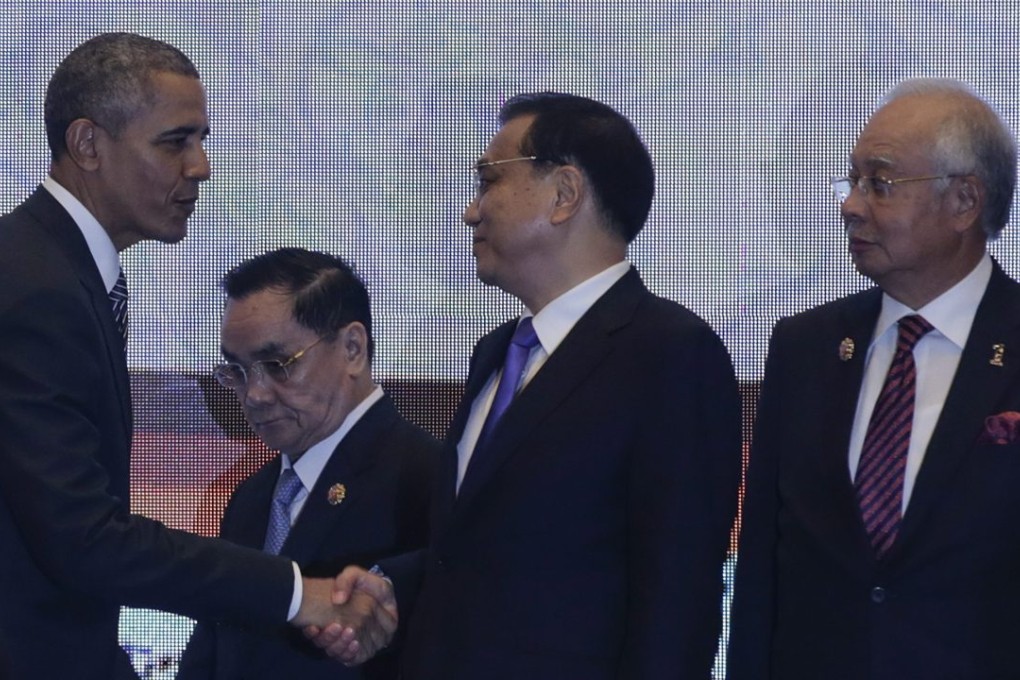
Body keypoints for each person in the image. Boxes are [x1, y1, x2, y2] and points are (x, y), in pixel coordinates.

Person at [0, 33, 391, 680]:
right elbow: (82, 541)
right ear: (88, 145)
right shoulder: (36, 289)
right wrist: (301, 594)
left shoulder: (50, 271)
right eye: (175, 141)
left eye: (201, 139)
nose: (201, 165)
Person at [312, 92, 742, 679]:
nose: (471, 210)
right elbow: (482, 548)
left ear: (564, 194)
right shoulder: (497, 351)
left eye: (489, 179)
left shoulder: (669, 352)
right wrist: (391, 585)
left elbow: (678, 598)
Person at [728, 78, 1020, 679]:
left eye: (880, 183)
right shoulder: (803, 348)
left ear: (965, 201)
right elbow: (762, 570)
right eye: (853, 180)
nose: (852, 205)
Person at [177, 248, 440, 679]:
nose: (255, 395)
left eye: (277, 366)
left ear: (353, 348)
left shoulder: (427, 478)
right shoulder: (252, 497)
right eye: (237, 371)